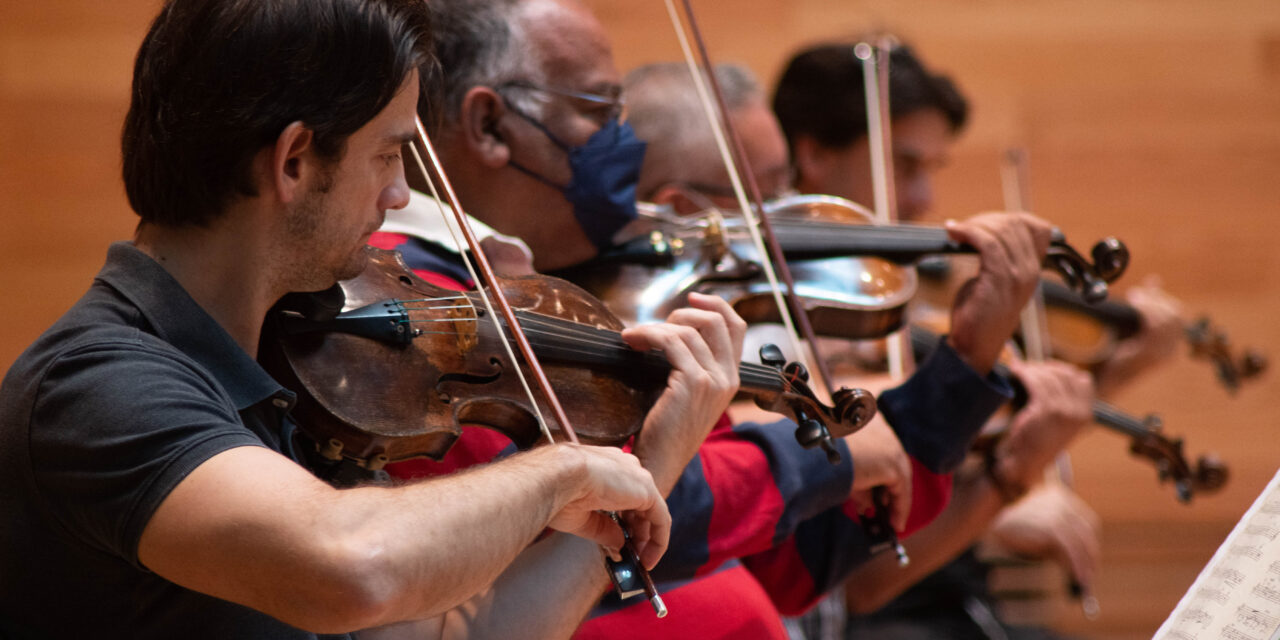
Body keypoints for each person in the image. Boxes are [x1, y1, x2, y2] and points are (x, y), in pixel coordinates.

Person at [0, 1, 703, 637]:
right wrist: (559, 473)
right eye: (389, 153)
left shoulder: (293, 380)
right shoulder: (96, 386)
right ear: (295, 162)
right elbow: (352, 567)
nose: (399, 194)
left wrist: (654, 459)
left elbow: (471, 634)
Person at [375, 0, 1054, 631]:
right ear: (490, 124)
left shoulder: (557, 298)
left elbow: (783, 563)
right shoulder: (434, 309)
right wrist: (815, 458)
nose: (625, 141)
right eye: (602, 109)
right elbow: (604, 520)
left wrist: (962, 365)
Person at [773, 40, 1184, 639]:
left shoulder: (889, 300)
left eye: (928, 171)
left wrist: (1110, 373)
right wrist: (1003, 495)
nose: (922, 200)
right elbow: (863, 575)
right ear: (812, 152)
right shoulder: (775, 321)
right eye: (904, 165)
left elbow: (992, 428)